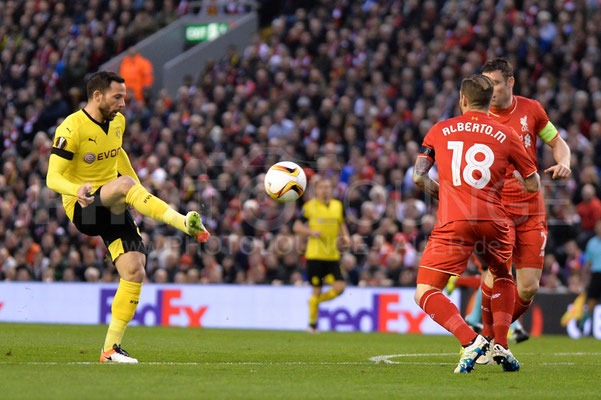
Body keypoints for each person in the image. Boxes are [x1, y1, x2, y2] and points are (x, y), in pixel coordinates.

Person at [46, 71, 210, 363]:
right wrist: (77, 189)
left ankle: (110, 350)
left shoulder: (118, 122)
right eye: (117, 96)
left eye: (124, 96)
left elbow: (117, 155)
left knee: (135, 269)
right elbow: (52, 177)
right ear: (97, 96)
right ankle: (183, 222)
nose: (123, 103)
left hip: (114, 202)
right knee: (124, 186)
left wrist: (136, 189)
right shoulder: (71, 128)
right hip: (84, 207)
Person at [413, 75, 540, 373]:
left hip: (453, 219)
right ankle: (501, 345)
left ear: (462, 100)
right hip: (494, 220)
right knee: (501, 274)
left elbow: (419, 177)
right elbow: (533, 184)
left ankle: (470, 340)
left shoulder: (439, 130)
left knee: (425, 292)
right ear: (489, 101)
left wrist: (445, 194)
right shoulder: (506, 133)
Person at [478, 58, 571, 343]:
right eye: (485, 84)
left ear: (510, 82)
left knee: (528, 287)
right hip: (496, 208)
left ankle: (491, 337)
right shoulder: (478, 115)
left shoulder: (531, 110)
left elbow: (557, 143)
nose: (489, 90)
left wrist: (564, 161)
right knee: (497, 274)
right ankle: (487, 337)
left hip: (531, 208)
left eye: (494, 83)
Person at [293, 177, 351, 333]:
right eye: (322, 187)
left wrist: (346, 236)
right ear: (316, 190)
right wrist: (310, 231)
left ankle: (315, 302)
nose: (325, 190)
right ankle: (312, 325)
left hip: (332, 256)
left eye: (328, 187)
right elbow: (297, 225)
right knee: (317, 289)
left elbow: (341, 223)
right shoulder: (309, 207)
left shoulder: (337, 206)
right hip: (315, 256)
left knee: (340, 288)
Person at [582, 219, 601, 332]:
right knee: (591, 301)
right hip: (596, 275)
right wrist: (584, 280)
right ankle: (584, 324)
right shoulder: (591, 243)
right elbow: (587, 264)